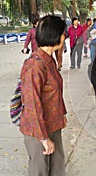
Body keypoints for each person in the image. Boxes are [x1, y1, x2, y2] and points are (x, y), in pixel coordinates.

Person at [20, 15, 67, 176]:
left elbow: (56, 91)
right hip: (37, 129)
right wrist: (43, 138)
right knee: (40, 170)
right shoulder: (35, 65)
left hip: (53, 123)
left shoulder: (49, 60)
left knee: (57, 165)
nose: (64, 37)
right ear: (54, 35)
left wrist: (62, 114)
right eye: (62, 33)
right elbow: (32, 104)